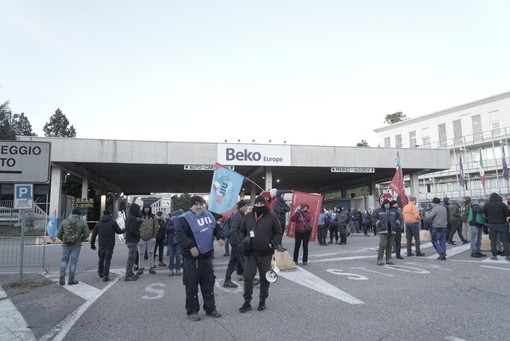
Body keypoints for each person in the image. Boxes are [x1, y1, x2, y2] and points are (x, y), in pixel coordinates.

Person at [175, 195, 224, 321]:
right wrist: (191, 246)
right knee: (191, 286)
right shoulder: (183, 219)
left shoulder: (208, 215)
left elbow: (217, 228)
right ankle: (192, 311)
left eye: (200, 204)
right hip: (191, 259)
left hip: (206, 257)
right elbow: (180, 235)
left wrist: (220, 237)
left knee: (208, 284)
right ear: (191, 206)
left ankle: (210, 308)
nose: (199, 207)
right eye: (196, 204)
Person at [239, 196, 282, 313]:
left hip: (265, 254)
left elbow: (278, 233)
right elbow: (242, 230)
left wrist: (272, 243)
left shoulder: (272, 217)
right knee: (248, 278)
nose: (258, 206)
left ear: (265, 205)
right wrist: (243, 239)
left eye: (261, 204)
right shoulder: (248, 216)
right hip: (250, 253)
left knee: (265, 278)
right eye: (256, 204)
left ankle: (262, 301)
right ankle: (247, 302)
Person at [55, 208, 89, 285]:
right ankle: (71, 280)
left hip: (66, 245)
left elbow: (58, 234)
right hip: (76, 245)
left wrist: (64, 240)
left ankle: (62, 275)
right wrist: (80, 239)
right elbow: (86, 234)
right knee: (73, 262)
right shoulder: (82, 222)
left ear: (72, 214)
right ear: (79, 214)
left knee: (64, 260)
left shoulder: (65, 221)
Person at [90, 210, 125, 282]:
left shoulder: (99, 223)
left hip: (101, 244)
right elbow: (119, 231)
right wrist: (125, 229)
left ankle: (100, 272)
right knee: (107, 260)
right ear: (110, 214)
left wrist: (92, 244)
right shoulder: (113, 222)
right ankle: (106, 275)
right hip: (110, 244)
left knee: (101, 259)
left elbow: (94, 235)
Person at [224, 200, 249, 288]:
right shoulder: (237, 216)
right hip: (236, 242)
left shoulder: (241, 215)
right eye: (245, 206)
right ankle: (249, 278)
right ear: (241, 207)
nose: (246, 207)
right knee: (242, 260)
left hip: (237, 242)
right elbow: (233, 231)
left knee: (233, 261)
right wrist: (239, 243)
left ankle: (227, 280)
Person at [372, 199, 401, 265]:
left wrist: (397, 222)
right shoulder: (378, 210)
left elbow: (399, 217)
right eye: (386, 203)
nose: (388, 204)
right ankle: (380, 259)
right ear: (383, 204)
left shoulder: (394, 211)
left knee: (389, 245)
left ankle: (388, 259)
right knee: (382, 245)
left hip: (392, 230)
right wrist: (378, 223)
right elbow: (373, 218)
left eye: (388, 203)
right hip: (383, 231)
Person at [483, 193, 510, 261]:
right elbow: (507, 214)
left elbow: (485, 214)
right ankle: (507, 256)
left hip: (492, 225)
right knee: (505, 240)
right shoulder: (502, 204)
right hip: (502, 224)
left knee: (493, 241)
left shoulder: (487, 205)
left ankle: (494, 255)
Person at [138, 205, 159, 275]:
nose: (146, 209)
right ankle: (140, 267)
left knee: (151, 253)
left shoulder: (153, 216)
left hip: (151, 238)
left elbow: (156, 226)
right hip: (141, 238)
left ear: (149, 209)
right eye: (145, 208)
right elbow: (137, 225)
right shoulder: (140, 216)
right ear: (143, 208)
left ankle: (151, 267)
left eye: (148, 208)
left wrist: (154, 236)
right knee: (141, 253)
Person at [124, 203, 141, 281]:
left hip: (129, 240)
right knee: (131, 259)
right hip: (133, 240)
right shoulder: (133, 218)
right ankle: (128, 275)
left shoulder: (129, 217)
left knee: (131, 258)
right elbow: (132, 230)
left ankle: (130, 273)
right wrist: (139, 235)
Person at [165, 212, 181, 276]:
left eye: (175, 216)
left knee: (178, 256)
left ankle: (178, 269)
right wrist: (173, 225)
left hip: (178, 241)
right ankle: (171, 269)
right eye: (173, 216)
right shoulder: (169, 222)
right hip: (171, 241)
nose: (174, 217)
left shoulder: (179, 222)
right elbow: (166, 228)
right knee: (171, 256)